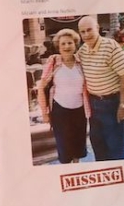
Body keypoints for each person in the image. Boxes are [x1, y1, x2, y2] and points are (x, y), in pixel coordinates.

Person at [77, 16, 124, 161]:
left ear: (98, 28)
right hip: (94, 105)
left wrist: (123, 104)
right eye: (82, 32)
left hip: (112, 103)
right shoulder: (82, 51)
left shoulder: (110, 46)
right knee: (98, 147)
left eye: (89, 30)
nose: (86, 34)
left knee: (116, 149)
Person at [36, 28, 90, 164]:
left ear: (75, 44)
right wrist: (45, 113)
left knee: (78, 145)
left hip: (80, 111)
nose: (67, 46)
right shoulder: (54, 62)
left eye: (70, 43)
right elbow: (41, 87)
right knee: (64, 148)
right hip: (60, 111)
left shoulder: (81, 63)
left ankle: (76, 168)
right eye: (63, 44)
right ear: (58, 47)